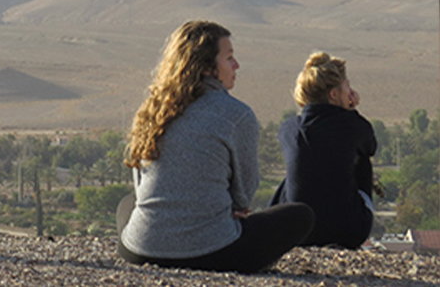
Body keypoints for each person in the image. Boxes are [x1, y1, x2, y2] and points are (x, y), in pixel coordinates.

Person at [117, 20, 314, 273]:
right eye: (229, 58)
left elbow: (141, 187)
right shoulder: (236, 114)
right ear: (207, 67)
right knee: (301, 215)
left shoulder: (152, 110)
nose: (236, 65)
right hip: (214, 253)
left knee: (128, 203)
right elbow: (243, 197)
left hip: (141, 251)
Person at [269, 52, 377, 249]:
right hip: (349, 231)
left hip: (297, 231)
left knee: (304, 165)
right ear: (334, 95)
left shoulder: (288, 128)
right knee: (362, 160)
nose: (351, 92)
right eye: (347, 87)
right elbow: (370, 147)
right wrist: (352, 112)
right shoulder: (353, 125)